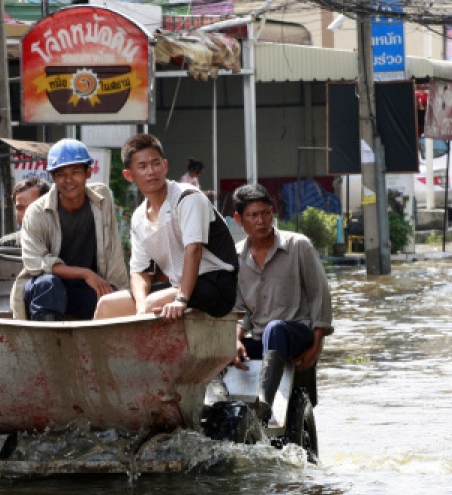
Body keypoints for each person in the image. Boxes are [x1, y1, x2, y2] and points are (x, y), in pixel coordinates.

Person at [94, 134, 237, 321]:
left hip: (215, 285)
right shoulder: (138, 218)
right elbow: (139, 271)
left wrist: (181, 299)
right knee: (107, 306)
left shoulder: (187, 197)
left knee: (152, 304)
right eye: (142, 166)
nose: (151, 171)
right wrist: (140, 306)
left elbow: (193, 250)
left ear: (165, 166)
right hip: (178, 287)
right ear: (128, 175)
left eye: (156, 163)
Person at [231, 183, 333, 425]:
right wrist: (234, 340)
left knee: (275, 329)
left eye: (266, 213)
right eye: (253, 215)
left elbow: (320, 295)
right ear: (239, 219)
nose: (261, 220)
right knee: (216, 347)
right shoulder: (236, 257)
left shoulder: (298, 245)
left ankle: (264, 403)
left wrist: (317, 345)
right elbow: (240, 310)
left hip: (296, 333)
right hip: (260, 340)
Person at [9, 138, 128, 321]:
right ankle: (46, 344)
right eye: (61, 174)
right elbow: (36, 262)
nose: (69, 180)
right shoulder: (36, 212)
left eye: (75, 172)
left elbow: (113, 251)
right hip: (45, 293)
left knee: (110, 298)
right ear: (53, 177)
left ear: (88, 172)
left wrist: (119, 291)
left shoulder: (101, 199)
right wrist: (85, 273)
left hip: (82, 290)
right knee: (49, 284)